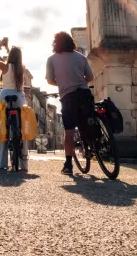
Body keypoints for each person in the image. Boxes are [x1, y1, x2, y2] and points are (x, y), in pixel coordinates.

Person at [45, 31, 94, 175]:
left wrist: (62, 83)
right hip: (85, 94)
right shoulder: (81, 57)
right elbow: (90, 76)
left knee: (69, 132)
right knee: (90, 120)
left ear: (56, 44)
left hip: (68, 97)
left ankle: (68, 165)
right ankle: (94, 145)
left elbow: (49, 80)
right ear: (71, 42)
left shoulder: (52, 59)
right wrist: (79, 82)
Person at [0, 38, 29, 172]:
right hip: (19, 96)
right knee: (21, 130)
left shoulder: (5, 66)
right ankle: (23, 165)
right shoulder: (21, 68)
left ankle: (1, 163)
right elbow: (14, 59)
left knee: (3, 130)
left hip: (5, 96)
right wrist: (9, 49)